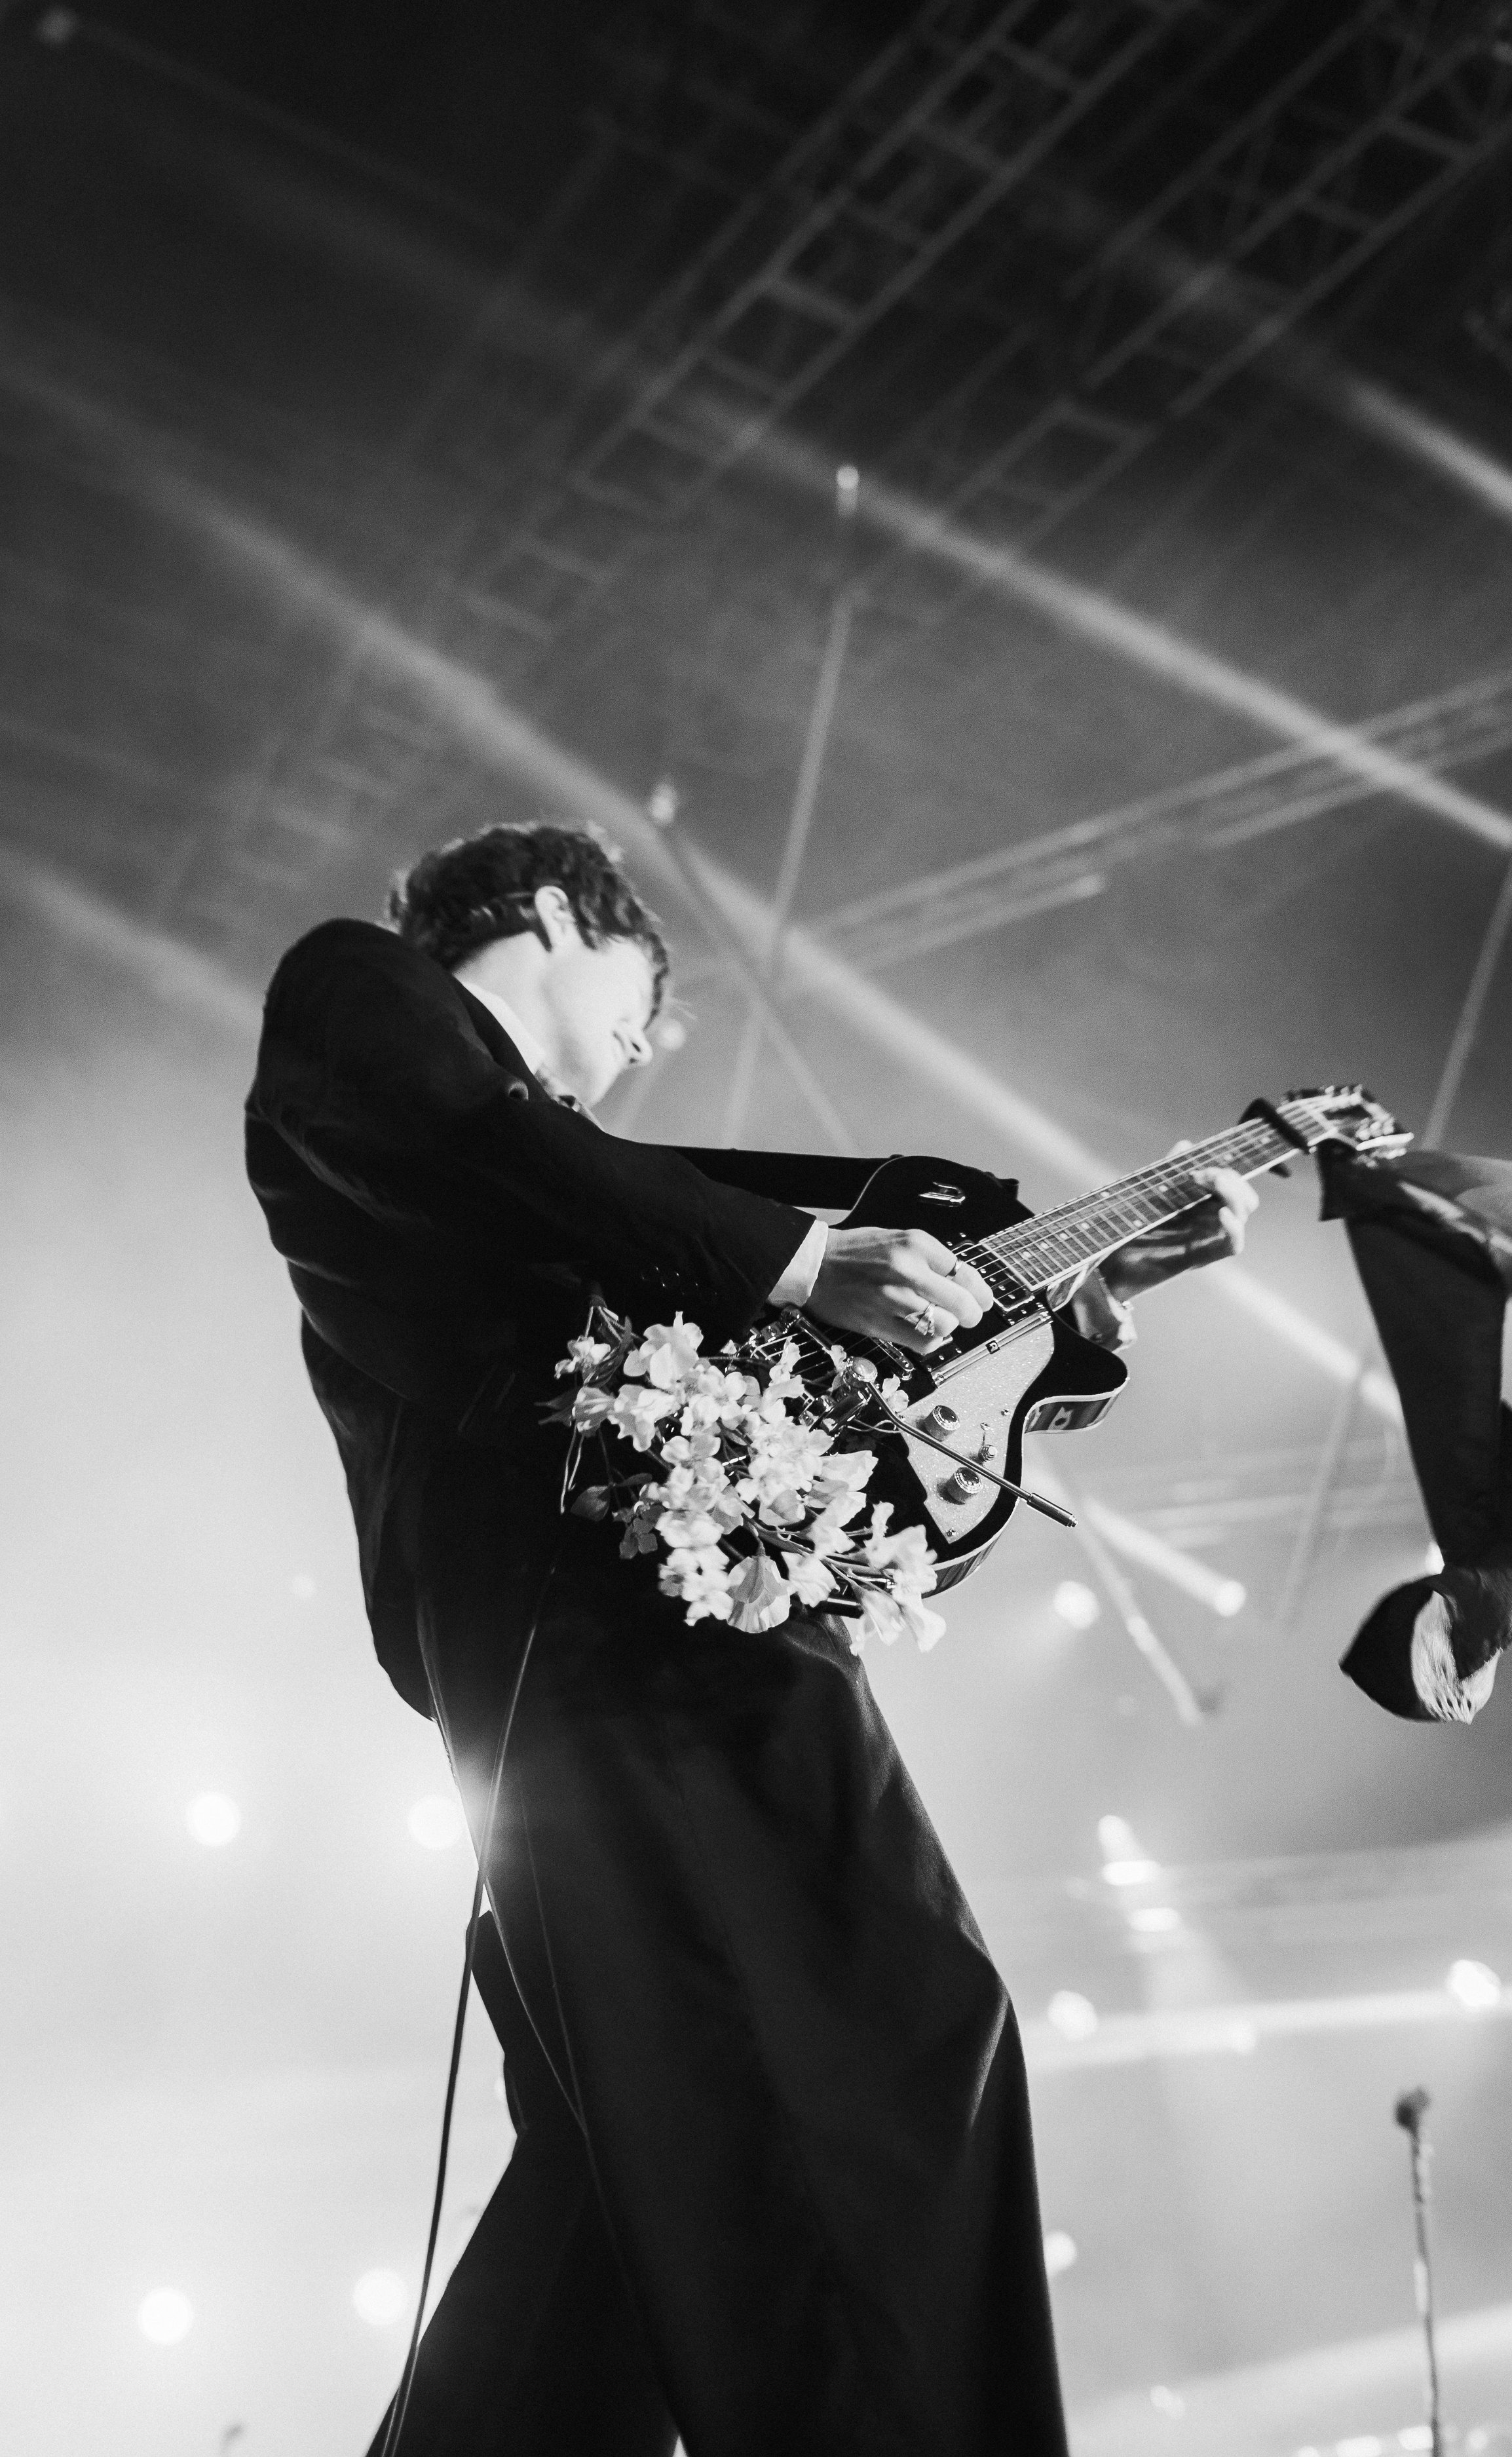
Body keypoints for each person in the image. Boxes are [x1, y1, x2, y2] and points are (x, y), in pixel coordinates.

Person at [244, 820, 1255, 2457]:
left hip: (650, 1663)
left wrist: (1061, 1300)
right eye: (644, 1003)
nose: (646, 1046)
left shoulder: (588, 1187)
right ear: (564, 918)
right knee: (893, 2041)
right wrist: (803, 1257)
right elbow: (518, 1154)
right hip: (612, 1672)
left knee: (630, 2174)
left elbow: (839, 1351)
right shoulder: (361, 1001)